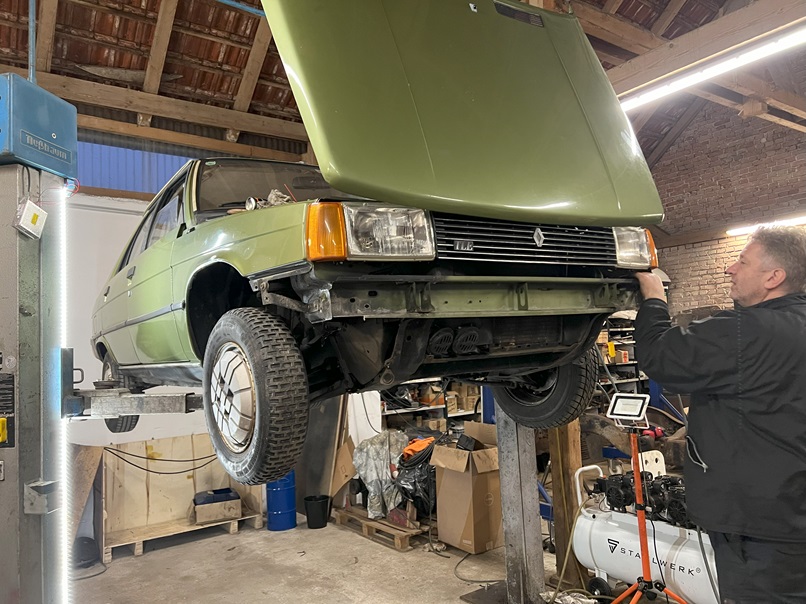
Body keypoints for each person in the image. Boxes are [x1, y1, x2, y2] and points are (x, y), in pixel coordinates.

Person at [633, 225, 806, 603]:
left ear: (774, 277)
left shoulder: (746, 330)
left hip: (760, 532)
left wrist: (654, 299)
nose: (730, 268)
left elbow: (660, 357)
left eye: (743, 261)